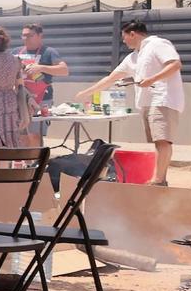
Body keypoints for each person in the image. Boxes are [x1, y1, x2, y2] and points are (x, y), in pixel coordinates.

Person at [78, 16, 184, 185]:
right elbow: (112, 77)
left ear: (132, 34)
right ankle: (159, 179)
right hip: (147, 102)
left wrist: (151, 79)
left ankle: (159, 179)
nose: (124, 41)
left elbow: (175, 64)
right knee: (157, 141)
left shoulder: (157, 44)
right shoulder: (134, 57)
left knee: (163, 140)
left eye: (124, 37)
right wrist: (89, 91)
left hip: (163, 99)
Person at [17, 23, 68, 145]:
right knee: (21, 136)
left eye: (30, 35)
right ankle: (25, 163)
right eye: (23, 36)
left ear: (40, 36)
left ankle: (36, 162)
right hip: (21, 99)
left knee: (34, 135)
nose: (26, 39)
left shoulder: (49, 52)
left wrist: (40, 68)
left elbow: (64, 70)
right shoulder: (16, 52)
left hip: (41, 99)